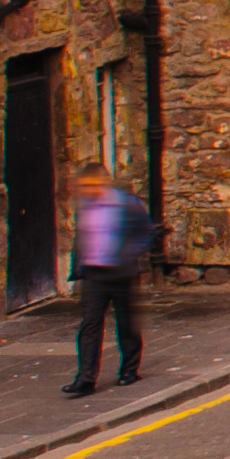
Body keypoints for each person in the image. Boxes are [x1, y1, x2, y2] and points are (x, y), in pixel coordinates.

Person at [65, 162, 153, 398]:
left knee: (126, 323)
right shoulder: (84, 206)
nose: (88, 190)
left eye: (92, 185)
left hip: (122, 272)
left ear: (104, 182)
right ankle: (85, 378)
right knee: (90, 325)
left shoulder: (126, 204)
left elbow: (146, 232)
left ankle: (129, 370)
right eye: (84, 186)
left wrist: (129, 253)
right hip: (94, 274)